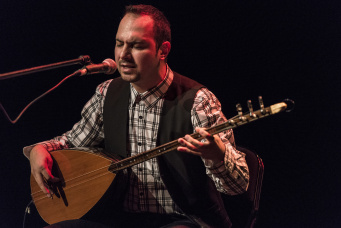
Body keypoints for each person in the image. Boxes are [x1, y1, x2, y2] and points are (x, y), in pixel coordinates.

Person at [24, 4, 249, 228]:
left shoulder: (198, 101)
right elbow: (72, 142)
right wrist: (39, 149)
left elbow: (238, 185)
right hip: (118, 217)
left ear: (163, 50)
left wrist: (217, 154)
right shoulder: (107, 93)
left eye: (136, 46)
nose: (123, 55)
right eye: (119, 43)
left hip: (184, 220)